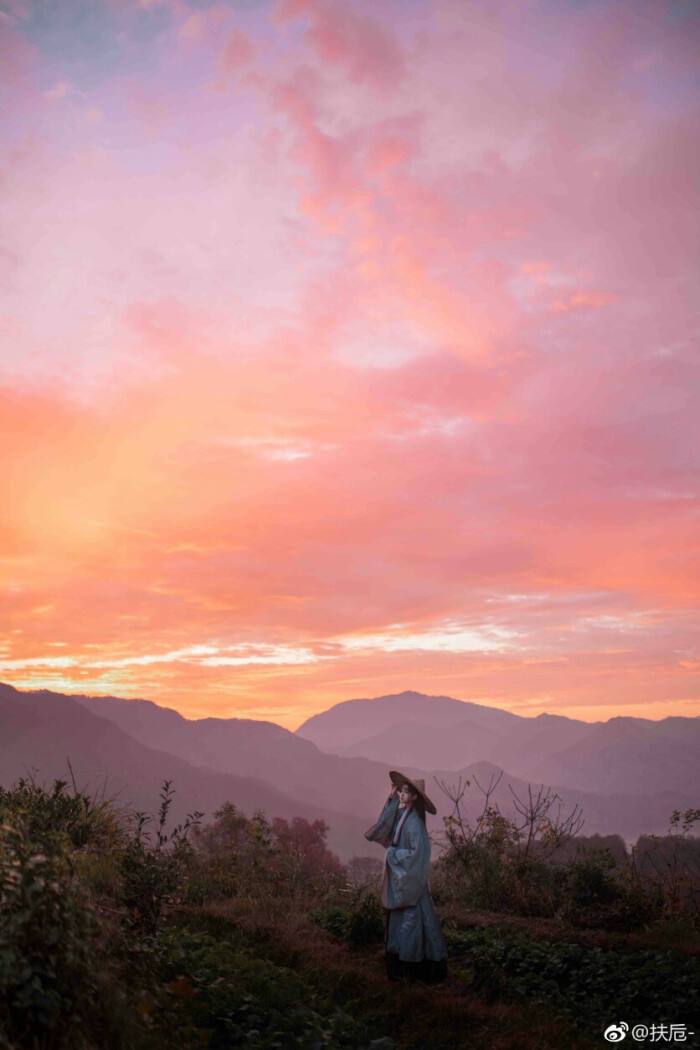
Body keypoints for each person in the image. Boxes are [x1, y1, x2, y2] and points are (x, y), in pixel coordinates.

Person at [365, 770, 447, 982]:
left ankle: (414, 969)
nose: (402, 794)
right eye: (401, 791)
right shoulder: (403, 816)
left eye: (406, 792)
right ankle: (404, 967)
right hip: (407, 882)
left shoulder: (415, 824)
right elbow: (386, 822)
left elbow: (418, 854)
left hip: (412, 882)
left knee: (413, 924)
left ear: (415, 797)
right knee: (406, 924)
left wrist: (393, 854)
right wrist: (392, 797)